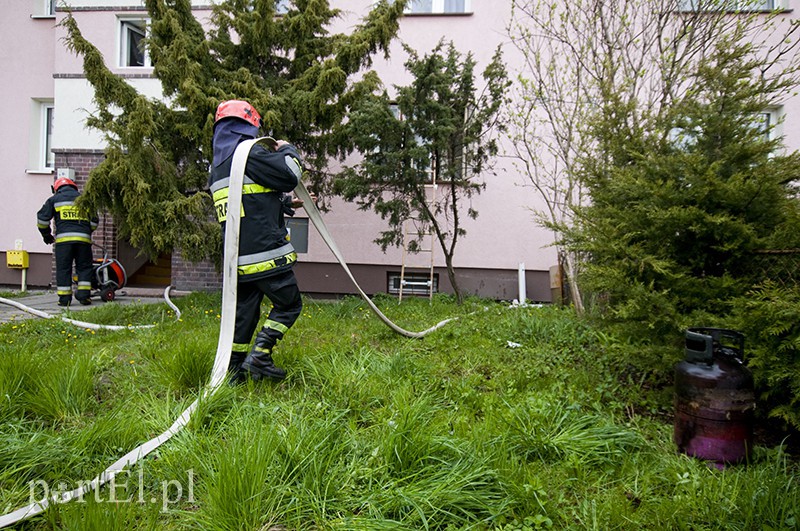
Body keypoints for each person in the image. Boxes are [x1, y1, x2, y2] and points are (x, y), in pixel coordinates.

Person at [209, 99, 306, 383]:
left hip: (238, 261)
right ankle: (261, 355)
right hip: (266, 257)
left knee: (244, 317)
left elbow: (246, 201)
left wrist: (284, 205)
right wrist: (287, 148)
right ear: (249, 125)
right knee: (289, 305)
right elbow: (290, 173)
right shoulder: (249, 154)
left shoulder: (219, 167)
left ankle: (234, 370)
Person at [36, 176, 99, 306]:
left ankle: (64, 299)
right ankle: (84, 297)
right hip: (83, 241)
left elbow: (42, 220)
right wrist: (87, 232)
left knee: (64, 269)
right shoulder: (84, 200)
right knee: (84, 267)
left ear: (57, 188)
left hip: (63, 242)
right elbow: (94, 221)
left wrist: (47, 236)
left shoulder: (54, 200)